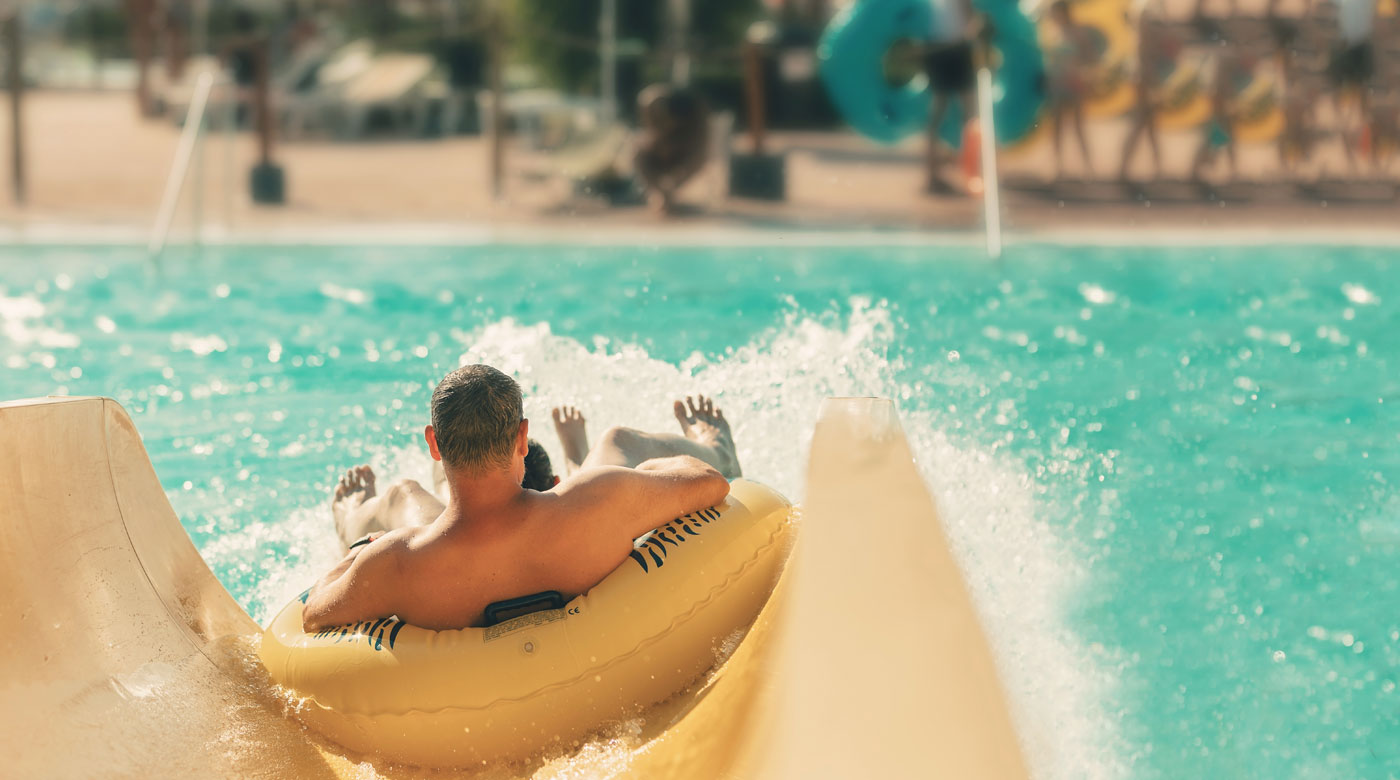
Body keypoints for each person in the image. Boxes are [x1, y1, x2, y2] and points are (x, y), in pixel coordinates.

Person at [303, 364, 741, 632]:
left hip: (442, 548)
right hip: (564, 522)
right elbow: (710, 483)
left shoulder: (395, 562)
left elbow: (314, 614)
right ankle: (716, 443)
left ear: (433, 445)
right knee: (618, 439)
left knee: (402, 494)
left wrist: (361, 555)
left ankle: (350, 520)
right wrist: (634, 479)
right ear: (523, 438)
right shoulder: (599, 500)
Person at [923, 0, 981, 194]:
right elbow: (969, 17)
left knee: (939, 113)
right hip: (955, 48)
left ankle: (933, 173)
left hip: (936, 48)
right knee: (969, 113)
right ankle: (970, 172)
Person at [633, 84, 711, 214]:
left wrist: (674, 185)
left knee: (699, 156)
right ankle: (663, 195)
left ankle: (667, 194)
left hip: (687, 147)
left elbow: (702, 151)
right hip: (666, 147)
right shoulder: (650, 102)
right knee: (638, 153)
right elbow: (649, 138)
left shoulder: (695, 116)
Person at [1043, 0, 1096, 180]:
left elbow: (1090, 57)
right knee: (1057, 128)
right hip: (1058, 84)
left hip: (1074, 83)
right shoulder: (1051, 32)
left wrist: (1080, 70)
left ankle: (1088, 167)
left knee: (1078, 127)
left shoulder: (1077, 33)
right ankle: (1057, 168)